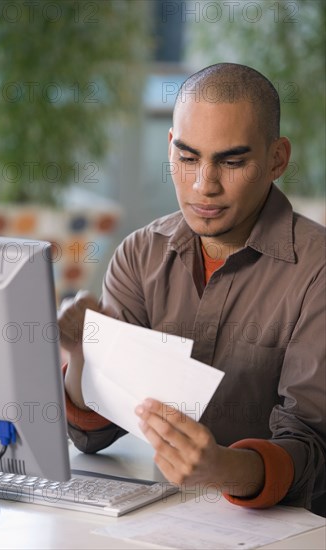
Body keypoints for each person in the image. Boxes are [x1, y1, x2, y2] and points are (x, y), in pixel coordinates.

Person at [58, 63, 325, 516]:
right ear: (170, 149)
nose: (204, 185)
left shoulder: (317, 270)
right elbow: (97, 434)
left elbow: (312, 446)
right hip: (164, 516)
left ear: (278, 158)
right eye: (187, 157)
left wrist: (223, 468)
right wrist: (83, 354)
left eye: (232, 161)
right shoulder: (139, 254)